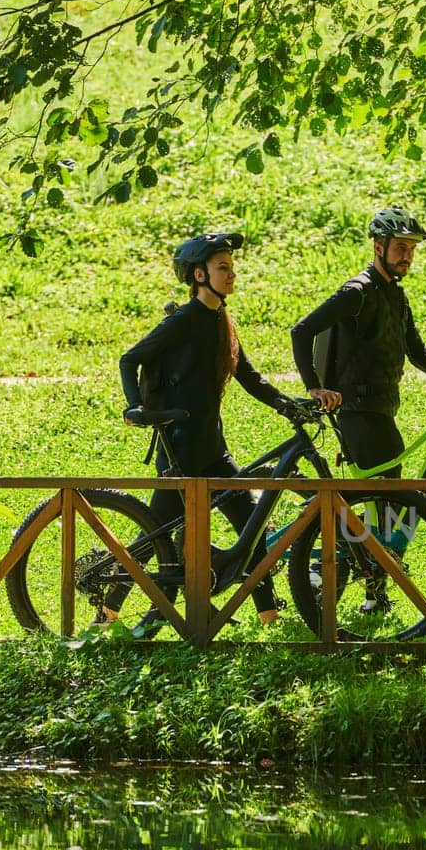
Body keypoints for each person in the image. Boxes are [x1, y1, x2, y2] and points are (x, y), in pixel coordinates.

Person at [119, 232, 298, 626]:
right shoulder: (183, 321)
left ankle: (269, 615)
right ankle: (108, 612)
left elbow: (249, 377)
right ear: (199, 274)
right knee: (155, 538)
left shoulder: (222, 320)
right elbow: (130, 359)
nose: (231, 274)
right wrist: (136, 405)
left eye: (232, 267)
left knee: (249, 528)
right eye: (222, 268)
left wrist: (289, 405)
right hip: (180, 451)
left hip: (212, 448)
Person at [289, 207, 426, 479]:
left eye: (412, 250)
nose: (407, 257)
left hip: (381, 408)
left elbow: (418, 353)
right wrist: (315, 388)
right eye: (401, 248)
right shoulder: (357, 292)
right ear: (379, 247)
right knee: (385, 491)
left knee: (389, 491)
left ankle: (353, 522)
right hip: (357, 410)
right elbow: (301, 331)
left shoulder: (396, 296)